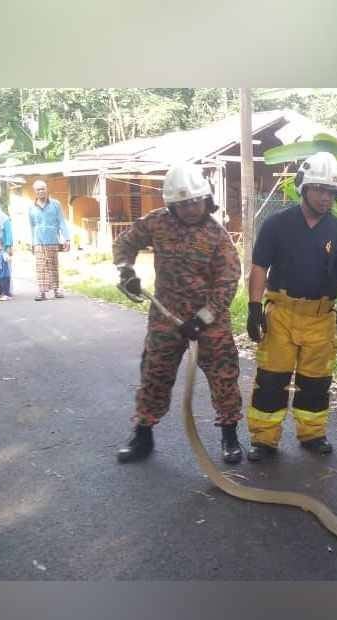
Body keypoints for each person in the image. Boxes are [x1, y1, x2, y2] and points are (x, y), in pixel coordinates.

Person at [113, 163, 245, 465]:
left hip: (209, 319)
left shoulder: (217, 235)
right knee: (154, 373)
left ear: (206, 199)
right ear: (172, 204)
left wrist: (203, 319)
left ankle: (230, 435)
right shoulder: (157, 223)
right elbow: (125, 243)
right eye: (182, 204)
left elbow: (227, 281)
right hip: (166, 315)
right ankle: (143, 435)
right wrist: (126, 271)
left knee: (224, 376)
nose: (189, 209)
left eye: (195, 202)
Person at [245, 151, 337, 461]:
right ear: (304, 188)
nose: (326, 198)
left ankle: (312, 435)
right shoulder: (276, 225)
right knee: (271, 380)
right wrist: (254, 308)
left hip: (320, 318)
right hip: (281, 315)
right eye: (320, 190)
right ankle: (264, 439)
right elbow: (259, 268)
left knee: (316, 383)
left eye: (332, 192)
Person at [28, 180, 70, 301]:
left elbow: (61, 221)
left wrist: (66, 238)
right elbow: (31, 226)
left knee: (53, 265)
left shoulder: (55, 204)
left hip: (52, 239)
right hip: (38, 241)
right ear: (35, 192)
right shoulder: (31, 207)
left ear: (47, 190)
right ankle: (42, 293)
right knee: (41, 266)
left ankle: (56, 290)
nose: (41, 191)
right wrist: (32, 242)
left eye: (43, 189)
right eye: (38, 190)